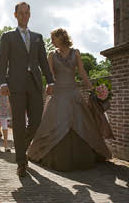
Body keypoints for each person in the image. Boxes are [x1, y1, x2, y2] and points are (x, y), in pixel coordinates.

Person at [27, 28, 111, 170]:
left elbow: (82, 72)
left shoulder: (75, 52)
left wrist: (92, 89)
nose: (52, 41)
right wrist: (49, 85)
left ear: (61, 37)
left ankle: (83, 158)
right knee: (56, 122)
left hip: (73, 92)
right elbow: (50, 75)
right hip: (58, 93)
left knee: (82, 122)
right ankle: (57, 159)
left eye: (54, 38)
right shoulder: (51, 55)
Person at [0, 2, 56, 176]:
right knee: (19, 123)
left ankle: (20, 146)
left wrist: (50, 81)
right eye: (21, 13)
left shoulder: (38, 37)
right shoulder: (7, 37)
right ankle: (22, 162)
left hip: (35, 83)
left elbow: (43, 61)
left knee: (36, 121)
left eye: (27, 13)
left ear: (30, 14)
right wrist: (3, 83)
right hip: (15, 84)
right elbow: (3, 61)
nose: (24, 16)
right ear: (15, 15)